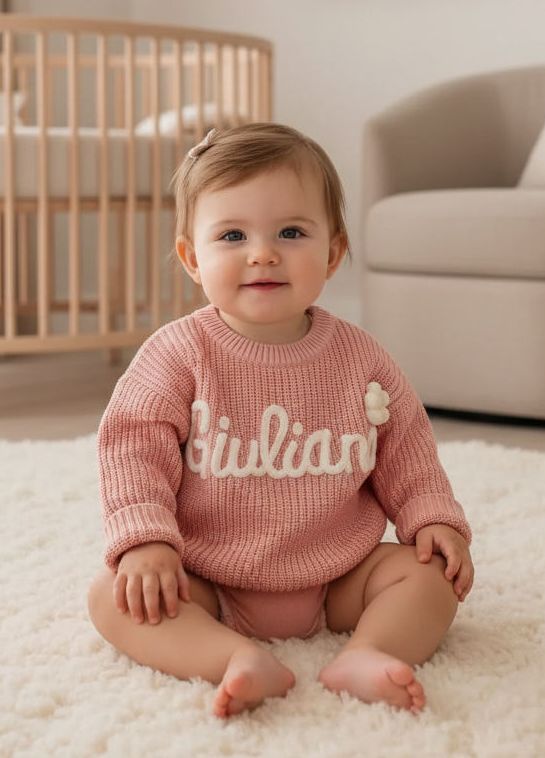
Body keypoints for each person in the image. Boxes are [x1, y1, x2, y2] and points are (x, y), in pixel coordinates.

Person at [87, 122, 473, 719]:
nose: (262, 252)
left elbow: (407, 448)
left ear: (333, 253)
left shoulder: (362, 358)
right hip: (209, 576)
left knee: (430, 579)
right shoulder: (177, 354)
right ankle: (232, 657)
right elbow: (132, 448)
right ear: (193, 258)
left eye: (291, 232)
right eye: (233, 234)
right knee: (113, 600)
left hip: (341, 575)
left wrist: (431, 519)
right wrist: (145, 541)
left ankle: (368, 653)